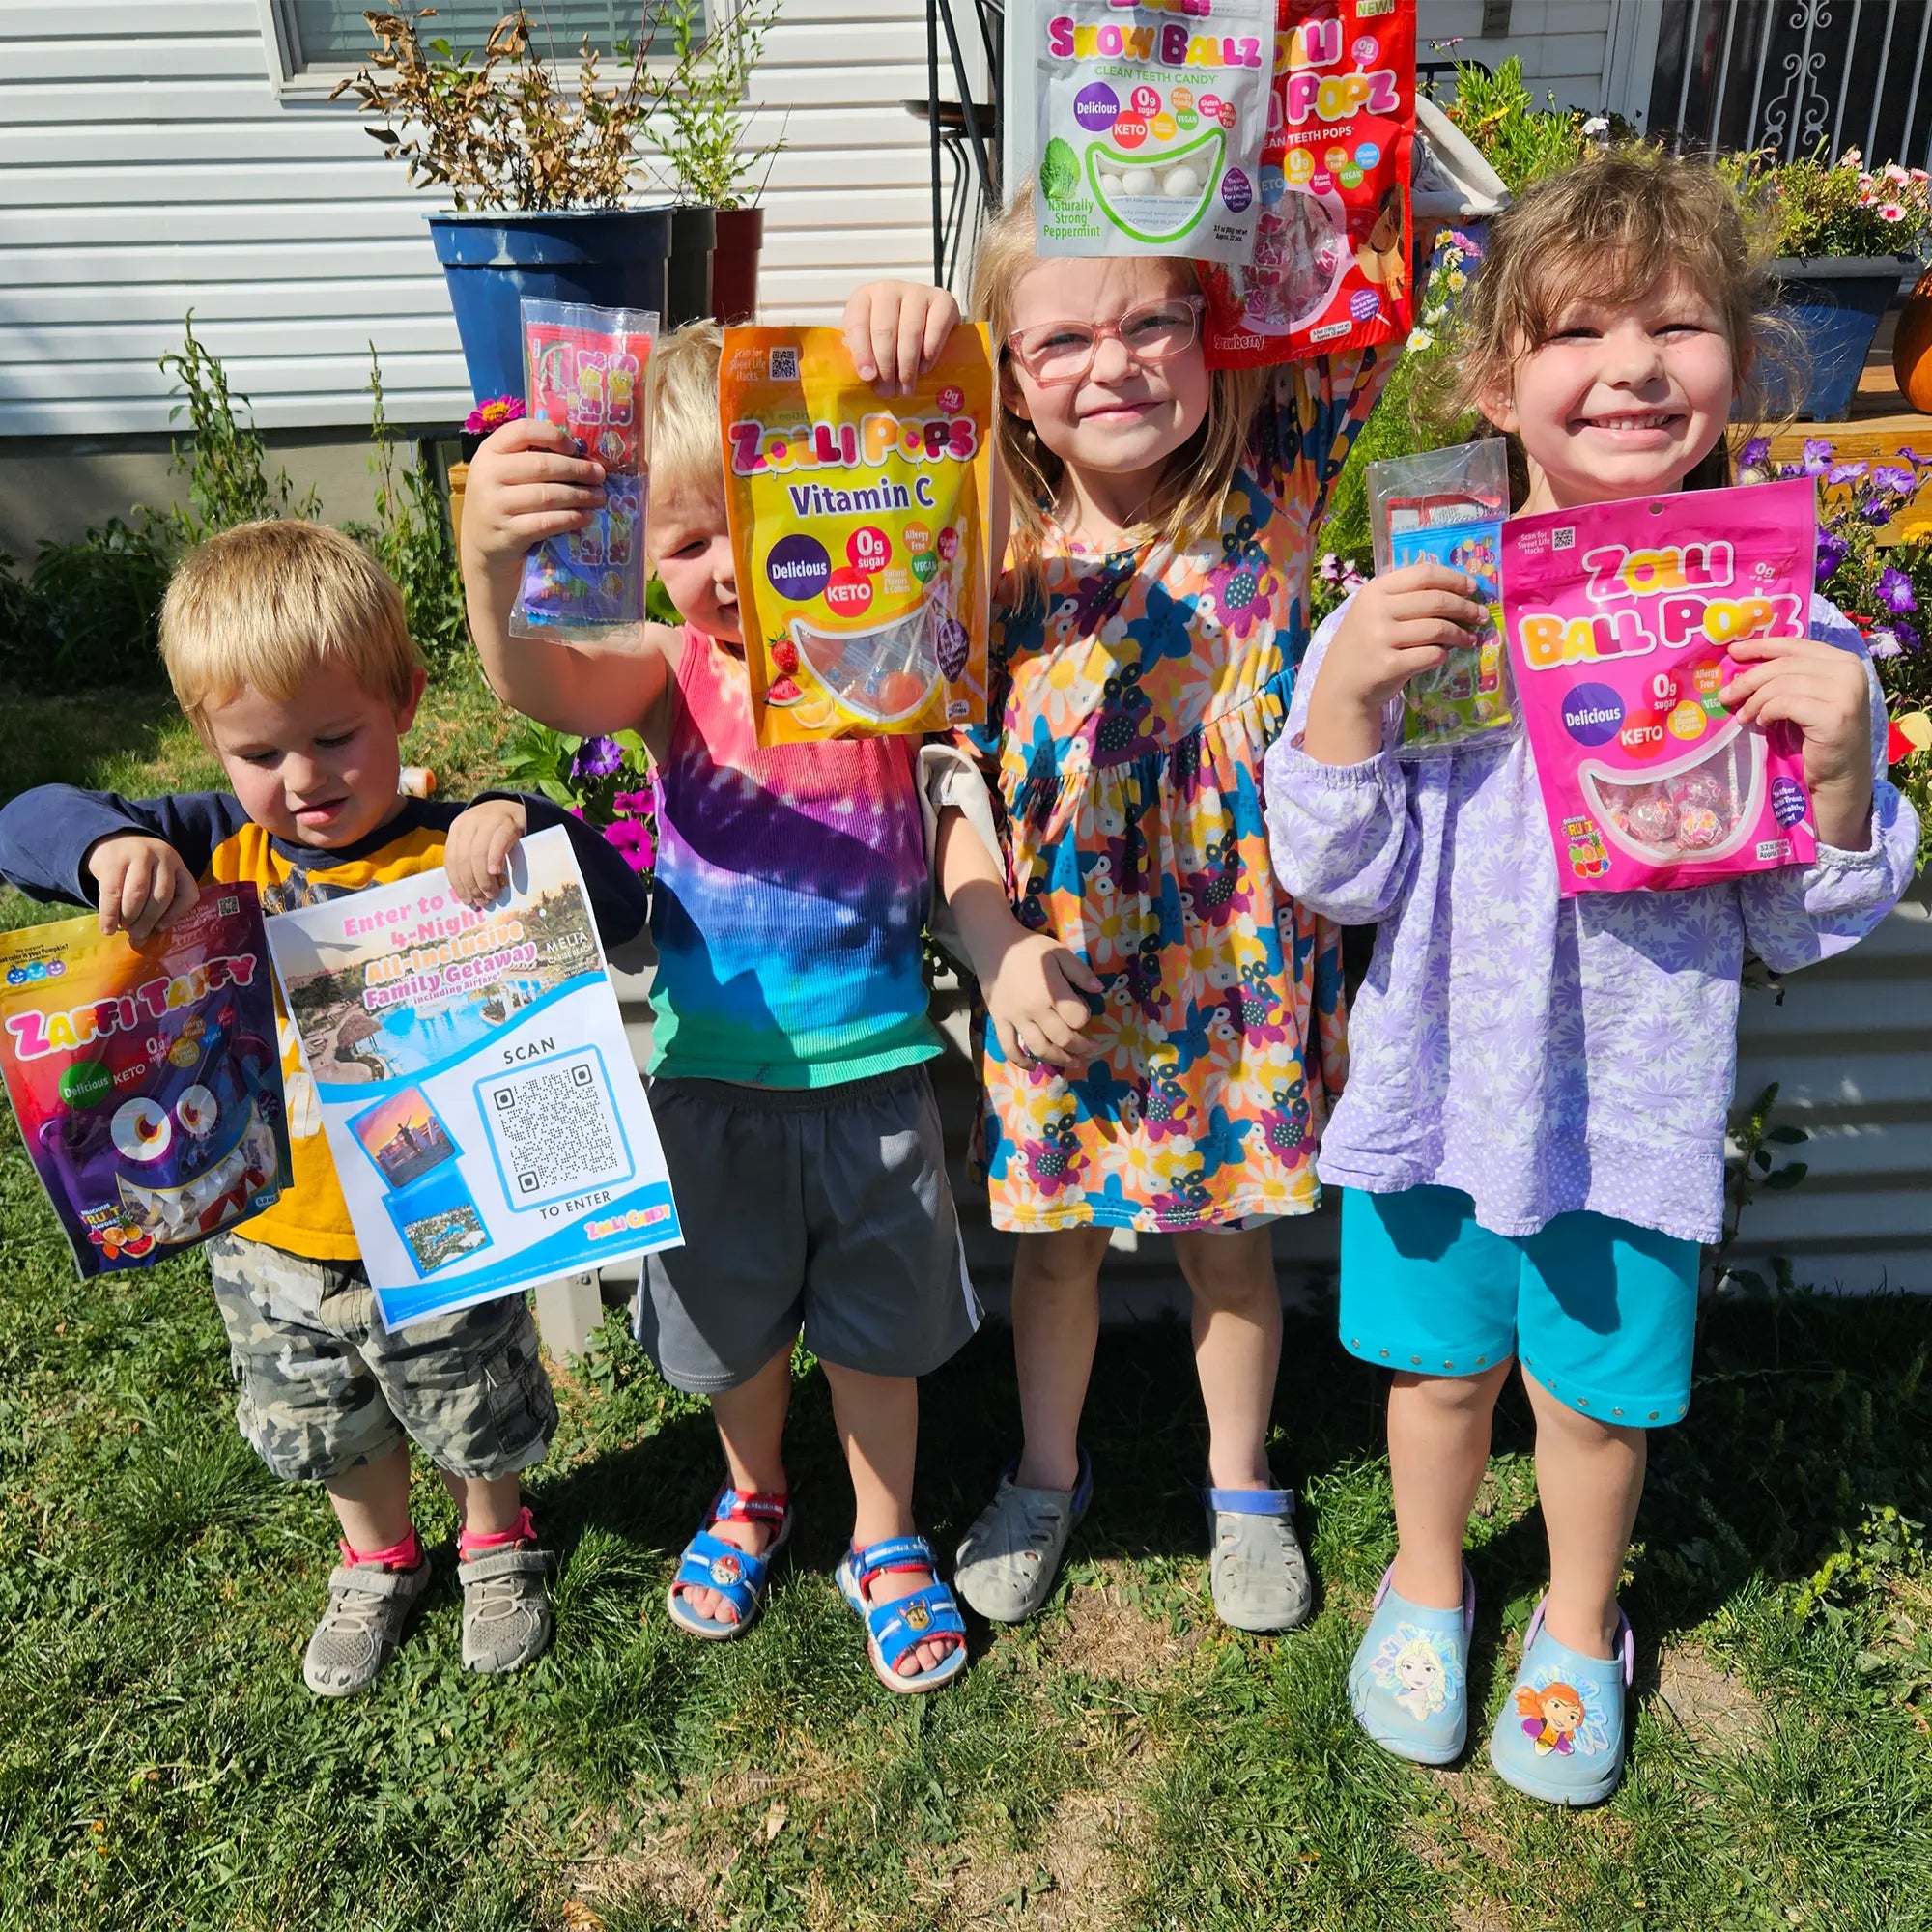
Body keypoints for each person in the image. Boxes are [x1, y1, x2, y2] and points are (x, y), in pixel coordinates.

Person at [1264, 150, 1918, 1804]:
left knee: (1592, 1407)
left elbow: (1792, 926)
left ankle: (1576, 1621)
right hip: (1432, 1097)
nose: (1629, 363)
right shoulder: (1417, 604)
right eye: (1575, 332)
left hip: (1630, 1113)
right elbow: (1332, 877)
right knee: (1436, 1377)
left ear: (1740, 366)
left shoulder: (1792, 631)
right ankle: (1428, 1580)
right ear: (1496, 380)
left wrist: (1841, 772)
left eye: (1677, 325)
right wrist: (1343, 698)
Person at [842, 182, 1399, 1635]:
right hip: (1052, 965)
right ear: (1008, 376)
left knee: (1230, 1246)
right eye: (1063, 340)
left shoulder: (1273, 488)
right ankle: (1046, 1471)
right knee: (1057, 1247)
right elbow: (944, 767)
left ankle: (1242, 1482)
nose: (1117, 363)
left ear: (1214, 328)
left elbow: (1377, 248)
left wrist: (1248, 132)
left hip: (1235, 965)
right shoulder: (974, 543)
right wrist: (987, 938)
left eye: (1156, 321)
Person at [455, 320, 1034, 1693]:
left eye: (753, 523)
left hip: (879, 1071)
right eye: (686, 538)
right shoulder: (670, 674)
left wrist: (948, 367)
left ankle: (887, 1535)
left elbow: (984, 544)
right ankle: (757, 1491)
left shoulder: (890, 659)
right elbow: (538, 680)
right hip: (711, 1078)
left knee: (879, 1335)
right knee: (733, 1332)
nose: (727, 570)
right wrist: (491, 563)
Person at [0, 518, 655, 1695]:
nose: (301, 780)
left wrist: (519, 819)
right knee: (327, 1415)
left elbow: (612, 894)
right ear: (207, 739)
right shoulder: (209, 847)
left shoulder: (451, 846)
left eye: (335, 737)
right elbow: (24, 818)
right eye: (258, 751)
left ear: (404, 699)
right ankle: (377, 1556)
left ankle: (495, 1536)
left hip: (441, 1217)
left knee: (472, 1399)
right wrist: (109, 849)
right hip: (271, 1238)